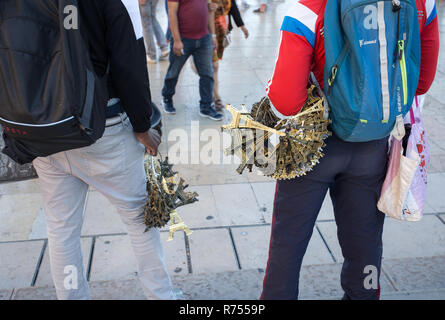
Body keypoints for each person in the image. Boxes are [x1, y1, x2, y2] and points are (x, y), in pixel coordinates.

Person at [261, 0, 439, 300]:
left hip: (312, 148)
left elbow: (285, 101)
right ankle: (364, 293)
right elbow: (421, 82)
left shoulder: (308, 6)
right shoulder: (423, 3)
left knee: (287, 245)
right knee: (365, 242)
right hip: (373, 146)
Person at [29, 0, 175, 300]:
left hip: (44, 130)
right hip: (103, 127)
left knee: (61, 230)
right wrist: (142, 125)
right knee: (139, 219)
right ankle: (161, 295)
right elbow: (129, 63)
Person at [162, 0, 223, 121]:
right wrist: (177, 40)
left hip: (204, 38)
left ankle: (206, 106)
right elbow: (172, 13)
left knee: (207, 73)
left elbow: (209, 10)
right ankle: (167, 98)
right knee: (174, 72)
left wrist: (213, 35)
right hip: (183, 38)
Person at [212, 0, 249, 111]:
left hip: (221, 33)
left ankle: (212, 91)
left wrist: (242, 26)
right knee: (214, 66)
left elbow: (233, 7)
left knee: (214, 65)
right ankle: (215, 96)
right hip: (207, 32)